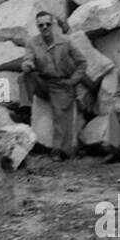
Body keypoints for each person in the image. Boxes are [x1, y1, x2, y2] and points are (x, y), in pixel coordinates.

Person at [21, 11, 88, 160]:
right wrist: (28, 64)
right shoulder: (32, 43)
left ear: (53, 25)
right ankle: (24, 105)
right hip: (43, 82)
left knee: (61, 115)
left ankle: (58, 150)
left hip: (60, 84)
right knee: (24, 75)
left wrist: (72, 81)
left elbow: (82, 63)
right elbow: (28, 57)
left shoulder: (66, 41)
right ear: (37, 27)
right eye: (41, 25)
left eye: (47, 24)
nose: (44, 27)